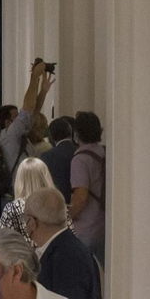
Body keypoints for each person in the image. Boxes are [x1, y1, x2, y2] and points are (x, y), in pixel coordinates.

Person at [0, 62, 56, 181]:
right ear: (7, 122)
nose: (20, 117)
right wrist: (34, 77)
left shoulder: (17, 135)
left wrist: (43, 91)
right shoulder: (10, 134)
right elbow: (28, 109)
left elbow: (33, 113)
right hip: (18, 196)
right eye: (16, 116)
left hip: (22, 193)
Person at [69, 111, 106, 266]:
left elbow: (81, 195)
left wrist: (69, 215)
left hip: (86, 227)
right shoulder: (104, 152)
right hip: (103, 223)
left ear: (77, 133)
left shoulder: (80, 159)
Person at [0, 158, 55, 236]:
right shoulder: (57, 205)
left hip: (21, 248)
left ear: (19, 181)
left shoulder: (13, 209)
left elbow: (2, 240)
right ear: (46, 178)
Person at [38, 116, 77, 201]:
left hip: (55, 201)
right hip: (76, 200)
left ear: (51, 136)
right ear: (71, 132)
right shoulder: (79, 152)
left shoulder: (46, 156)